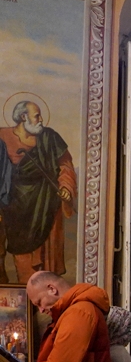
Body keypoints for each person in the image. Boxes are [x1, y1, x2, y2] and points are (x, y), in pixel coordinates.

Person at [0, 101, 75, 281]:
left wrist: (66, 187)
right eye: (36, 116)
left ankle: (38, 302)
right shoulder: (2, 137)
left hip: (43, 206)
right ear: (23, 117)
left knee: (41, 266)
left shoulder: (49, 138)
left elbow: (65, 166)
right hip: (11, 209)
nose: (41, 120)